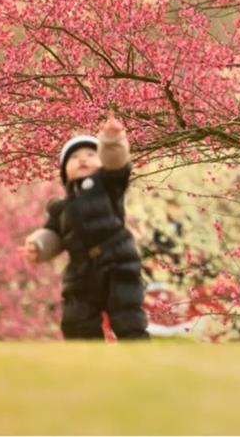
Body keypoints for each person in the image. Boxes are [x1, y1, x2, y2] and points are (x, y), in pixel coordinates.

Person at [20, 114, 150, 340]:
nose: (83, 159)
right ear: (64, 172)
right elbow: (53, 234)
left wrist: (111, 140)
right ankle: (89, 362)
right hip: (81, 270)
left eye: (91, 154)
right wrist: (37, 245)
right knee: (77, 320)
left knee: (126, 315)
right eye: (75, 157)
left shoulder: (108, 185)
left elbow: (116, 163)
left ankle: (138, 358)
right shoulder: (60, 207)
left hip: (117, 262)